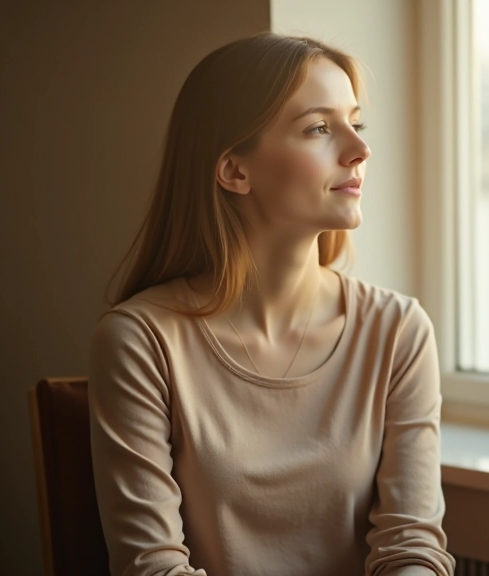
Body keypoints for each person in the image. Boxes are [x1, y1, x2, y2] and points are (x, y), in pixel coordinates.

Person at [88, 33, 455, 576]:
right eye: (319, 128)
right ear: (235, 170)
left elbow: (411, 548)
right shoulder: (140, 341)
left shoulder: (398, 330)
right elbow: (152, 567)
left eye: (357, 123)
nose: (360, 150)